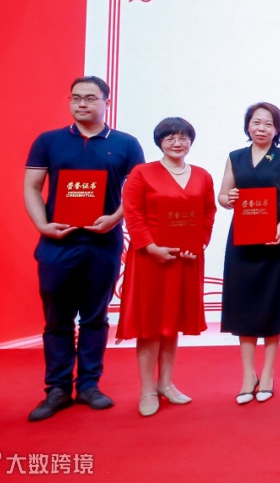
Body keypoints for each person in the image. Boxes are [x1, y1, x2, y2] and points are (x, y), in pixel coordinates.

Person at [23, 76, 145, 422]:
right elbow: (32, 187)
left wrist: (114, 219)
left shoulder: (125, 144)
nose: (81, 104)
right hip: (57, 244)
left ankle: (89, 385)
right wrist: (42, 225)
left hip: (102, 244)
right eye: (76, 98)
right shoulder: (49, 141)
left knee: (95, 317)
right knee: (57, 320)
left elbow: (136, 192)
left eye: (90, 98)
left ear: (106, 102)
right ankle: (57, 389)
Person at [117, 117, 217, 417]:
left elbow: (208, 213)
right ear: (159, 141)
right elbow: (133, 213)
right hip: (151, 260)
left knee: (172, 323)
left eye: (183, 137)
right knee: (150, 326)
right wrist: (150, 247)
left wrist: (199, 243)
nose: (177, 143)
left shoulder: (202, 175)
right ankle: (147, 389)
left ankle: (166, 383)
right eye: (170, 137)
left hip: (185, 260)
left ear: (191, 142)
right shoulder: (142, 173)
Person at [218, 102, 280, 405]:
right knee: (244, 304)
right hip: (242, 241)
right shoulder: (235, 157)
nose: (262, 128)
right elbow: (222, 196)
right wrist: (228, 198)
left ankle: (267, 373)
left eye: (268, 123)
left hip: (275, 240)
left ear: (277, 129)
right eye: (256, 122)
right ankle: (247, 375)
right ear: (248, 126)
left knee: (273, 304)